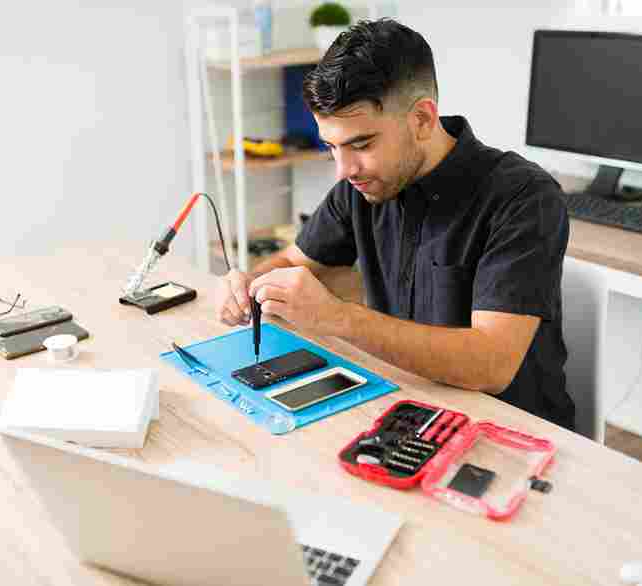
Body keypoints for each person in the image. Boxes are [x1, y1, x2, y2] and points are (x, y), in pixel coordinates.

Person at [214, 19, 575, 430]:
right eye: (331, 147)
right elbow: (294, 261)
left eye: (362, 144)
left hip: (514, 432)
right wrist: (250, 284)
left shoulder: (524, 197)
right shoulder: (363, 184)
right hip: (406, 410)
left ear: (422, 119)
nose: (342, 170)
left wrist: (338, 317)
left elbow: (491, 364)